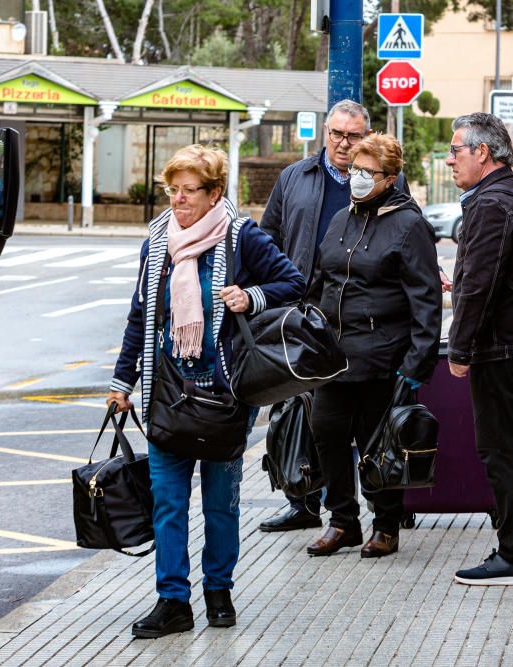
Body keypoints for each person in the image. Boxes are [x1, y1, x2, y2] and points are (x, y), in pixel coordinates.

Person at [106, 145, 304, 638]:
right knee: (168, 504)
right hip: (167, 392)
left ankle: (219, 591)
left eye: (189, 191)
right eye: (172, 190)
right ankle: (173, 601)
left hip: (223, 396)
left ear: (215, 193)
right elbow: (141, 315)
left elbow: (294, 282)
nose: (178, 200)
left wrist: (250, 296)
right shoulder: (157, 240)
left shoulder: (242, 236)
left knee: (221, 505)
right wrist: (120, 383)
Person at [257, 100, 417, 532]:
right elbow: (268, 237)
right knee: (301, 418)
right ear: (325, 133)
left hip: (370, 333)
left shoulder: (390, 187)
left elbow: (410, 251)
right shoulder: (296, 177)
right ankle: (306, 503)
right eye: (337, 134)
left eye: (354, 136)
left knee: (367, 429)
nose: (345, 144)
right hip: (306, 317)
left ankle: (384, 515)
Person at [306, 133, 441, 558]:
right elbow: (321, 279)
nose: (357, 179)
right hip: (334, 354)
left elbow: (427, 299)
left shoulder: (408, 224)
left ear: (391, 178)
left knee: (375, 442)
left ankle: (385, 522)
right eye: (354, 171)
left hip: (382, 356)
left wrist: (416, 364)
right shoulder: (341, 219)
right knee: (326, 433)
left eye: (368, 172)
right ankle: (343, 520)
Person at [445, 113, 513, 585]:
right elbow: (487, 277)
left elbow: (482, 287)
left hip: (506, 348)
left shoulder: (493, 204)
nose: (449, 160)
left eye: (455, 151)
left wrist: (459, 348)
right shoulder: (511, 195)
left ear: (482, 153)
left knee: (501, 450)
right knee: (512, 447)